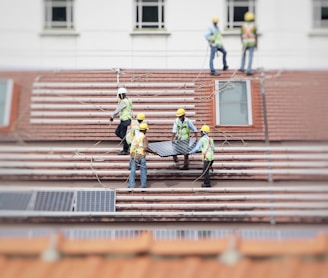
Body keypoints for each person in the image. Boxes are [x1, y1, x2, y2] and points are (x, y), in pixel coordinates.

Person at [128, 123, 157, 189]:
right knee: (143, 171)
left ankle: (130, 186)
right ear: (144, 130)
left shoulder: (135, 136)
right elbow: (145, 148)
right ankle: (143, 186)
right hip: (141, 156)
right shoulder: (144, 137)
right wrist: (153, 152)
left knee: (133, 171)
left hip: (133, 155)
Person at [109, 87, 132, 155]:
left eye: (119, 95)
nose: (119, 96)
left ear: (121, 95)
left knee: (123, 135)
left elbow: (118, 109)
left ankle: (125, 149)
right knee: (117, 132)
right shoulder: (128, 100)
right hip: (126, 120)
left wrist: (112, 116)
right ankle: (128, 143)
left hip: (125, 120)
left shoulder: (124, 102)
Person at [239, 11, 257, 76]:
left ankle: (242, 67)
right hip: (252, 42)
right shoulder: (254, 26)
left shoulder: (243, 25)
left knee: (243, 55)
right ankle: (248, 70)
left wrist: (242, 42)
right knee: (250, 56)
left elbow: (241, 34)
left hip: (245, 42)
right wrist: (256, 44)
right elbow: (255, 34)